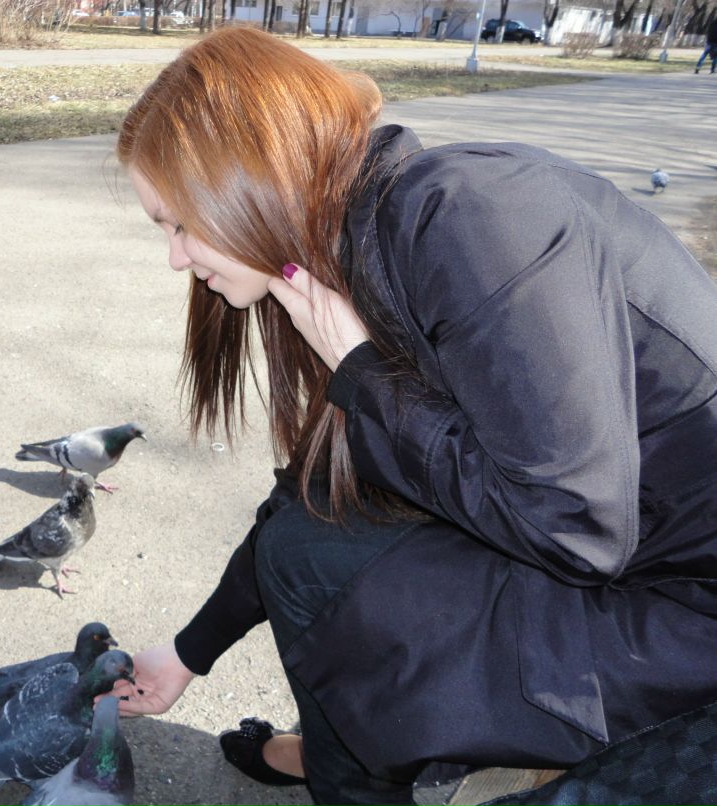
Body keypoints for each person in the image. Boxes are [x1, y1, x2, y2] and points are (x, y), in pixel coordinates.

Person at [107, 26, 717, 806]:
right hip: (630, 564)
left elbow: (575, 528)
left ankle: (361, 763)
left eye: (180, 224)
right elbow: (315, 488)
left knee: (318, 569)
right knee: (310, 541)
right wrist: (191, 651)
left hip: (683, 618)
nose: (175, 258)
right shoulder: (350, 250)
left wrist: (365, 378)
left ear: (246, 184)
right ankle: (350, 754)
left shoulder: (468, 217)